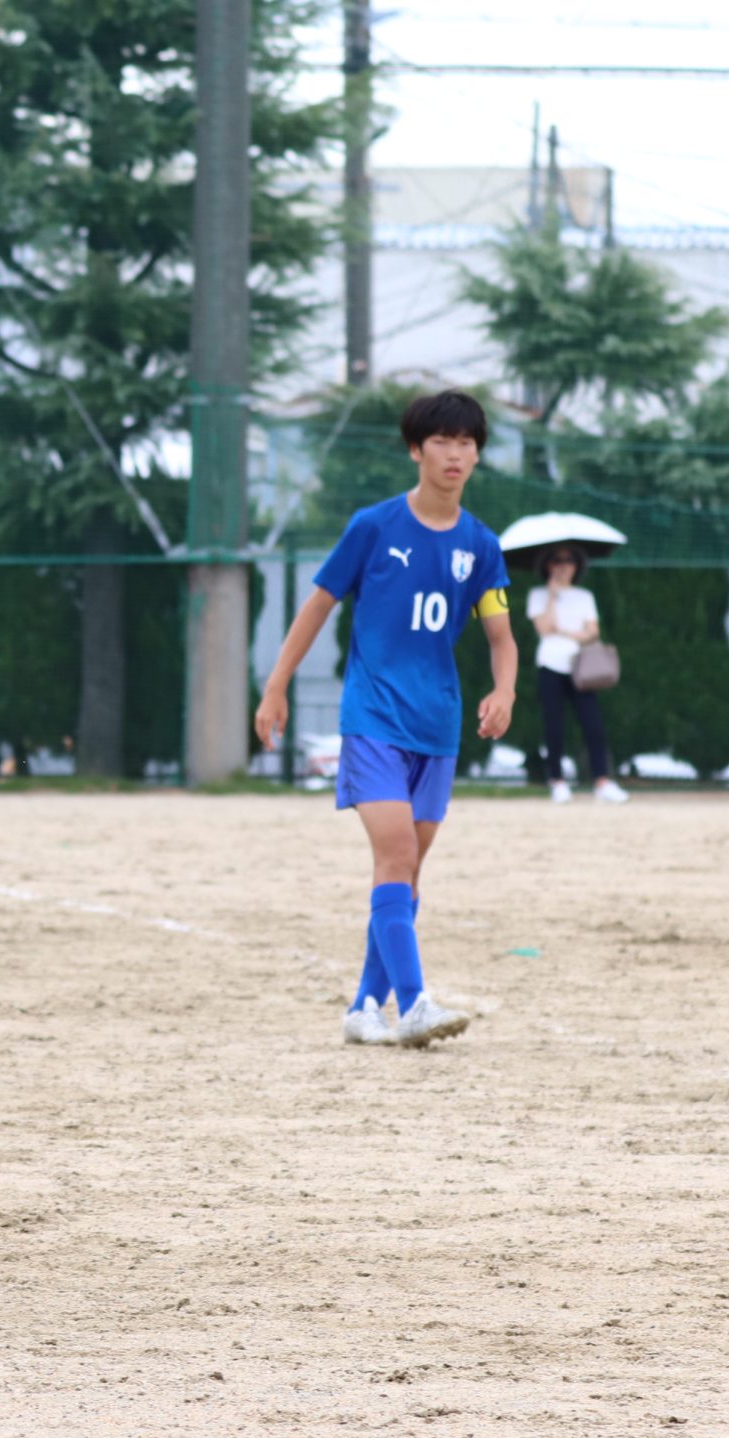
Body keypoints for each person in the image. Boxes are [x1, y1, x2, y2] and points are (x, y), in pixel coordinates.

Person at [255, 390, 519, 1048]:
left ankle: (364, 1006)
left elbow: (501, 638)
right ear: (415, 450)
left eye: (466, 443)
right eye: (441, 442)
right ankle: (416, 1004)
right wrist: (276, 684)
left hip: (439, 725)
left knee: (406, 870)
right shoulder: (373, 526)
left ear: (477, 453)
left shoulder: (481, 545)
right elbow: (316, 606)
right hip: (372, 716)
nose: (455, 454)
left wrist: (505, 690)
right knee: (397, 853)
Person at [527, 544, 628, 806]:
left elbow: (592, 632)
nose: (563, 565)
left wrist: (567, 632)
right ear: (547, 565)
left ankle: (602, 781)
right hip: (550, 664)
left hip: (580, 667)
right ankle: (557, 782)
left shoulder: (584, 596)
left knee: (593, 725)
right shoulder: (538, 595)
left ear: (577, 565)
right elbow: (544, 628)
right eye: (557, 559)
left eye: (569, 560)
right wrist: (552, 595)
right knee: (554, 727)